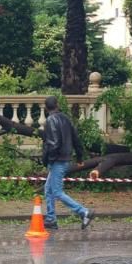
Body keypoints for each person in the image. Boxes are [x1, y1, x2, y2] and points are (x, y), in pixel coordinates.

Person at [41, 96, 94, 230]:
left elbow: (53, 144)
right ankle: (51, 218)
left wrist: (47, 159)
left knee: (57, 192)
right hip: (65, 158)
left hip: (57, 160)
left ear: (46, 108)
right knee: (48, 189)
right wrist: (80, 157)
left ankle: (84, 212)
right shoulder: (66, 118)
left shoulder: (50, 120)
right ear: (57, 105)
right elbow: (76, 139)